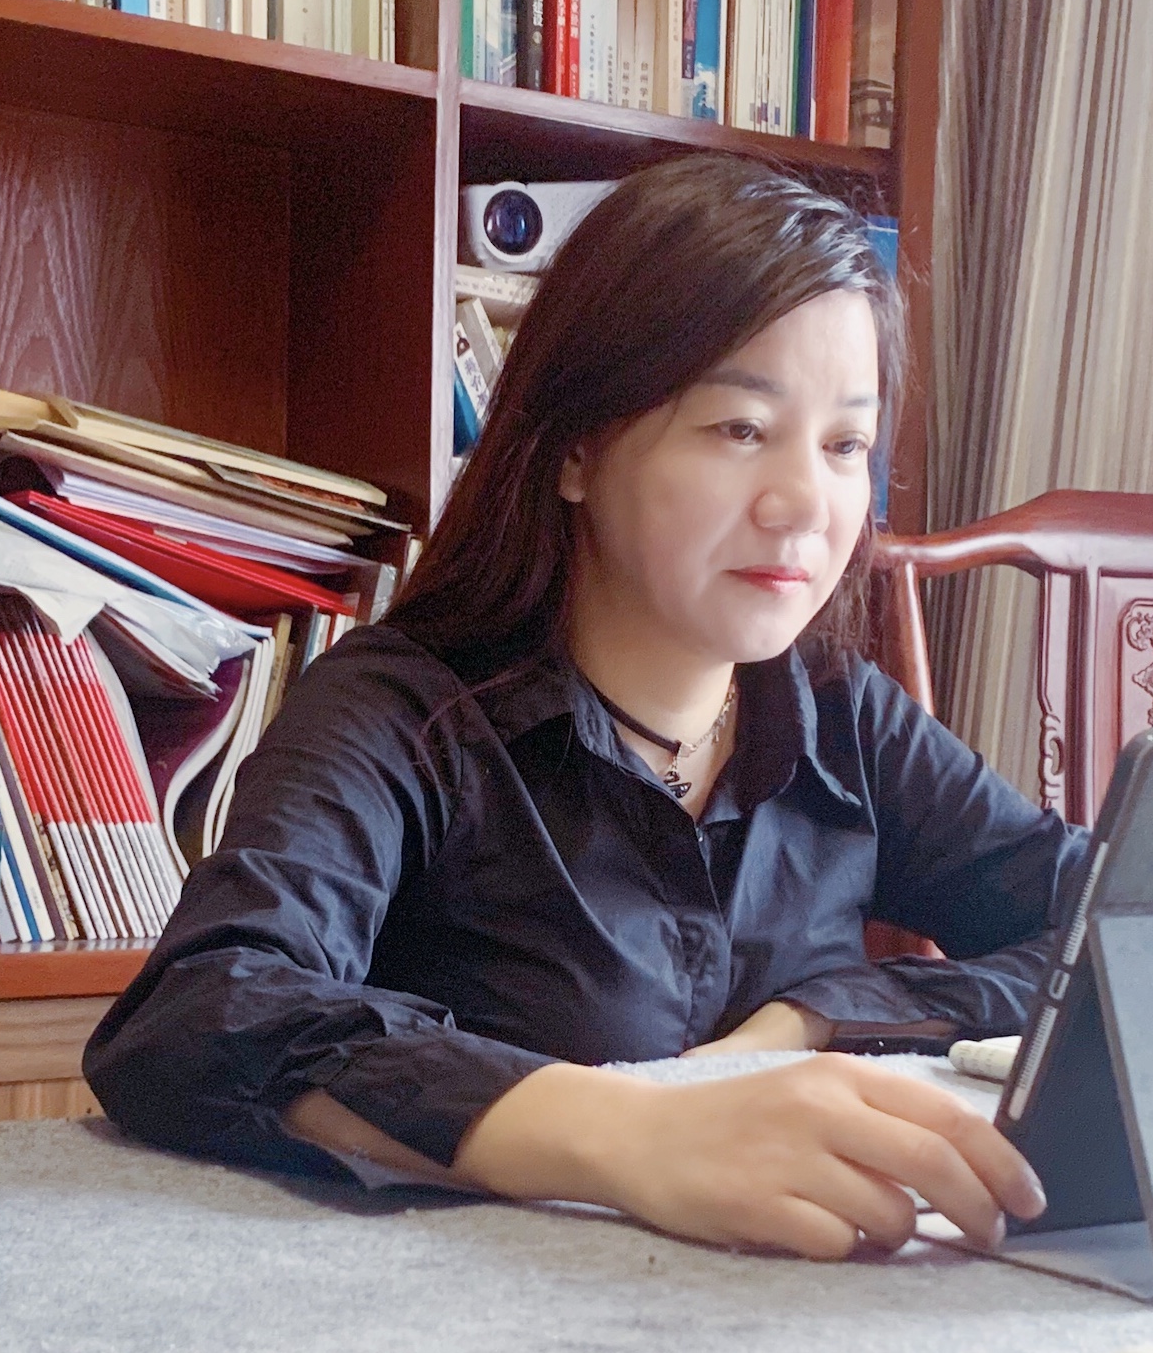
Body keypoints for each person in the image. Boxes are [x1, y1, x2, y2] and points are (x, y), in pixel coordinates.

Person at [84, 154, 1088, 1261]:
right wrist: (635, 1132)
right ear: (575, 449)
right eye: (740, 428)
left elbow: (1116, 921)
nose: (806, 502)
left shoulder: (842, 714)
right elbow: (199, 1010)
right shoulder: (405, 713)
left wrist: (816, 1017)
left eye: (845, 444)